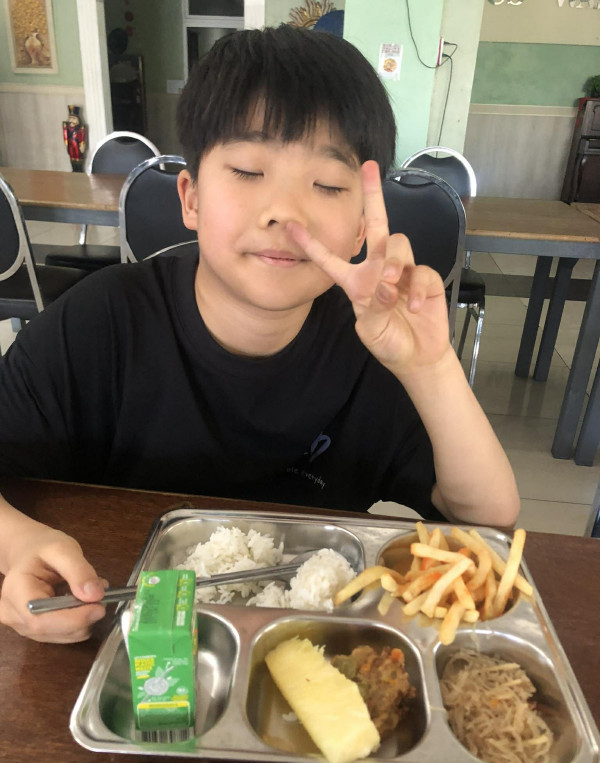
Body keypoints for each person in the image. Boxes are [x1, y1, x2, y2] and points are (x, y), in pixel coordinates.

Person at [0, 26, 519, 644]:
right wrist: (19, 543)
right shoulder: (100, 324)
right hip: (124, 640)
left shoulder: (373, 345)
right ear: (191, 199)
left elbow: (486, 521)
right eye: (248, 171)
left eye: (327, 185)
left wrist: (429, 366)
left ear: (360, 226)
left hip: (310, 646)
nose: (285, 212)